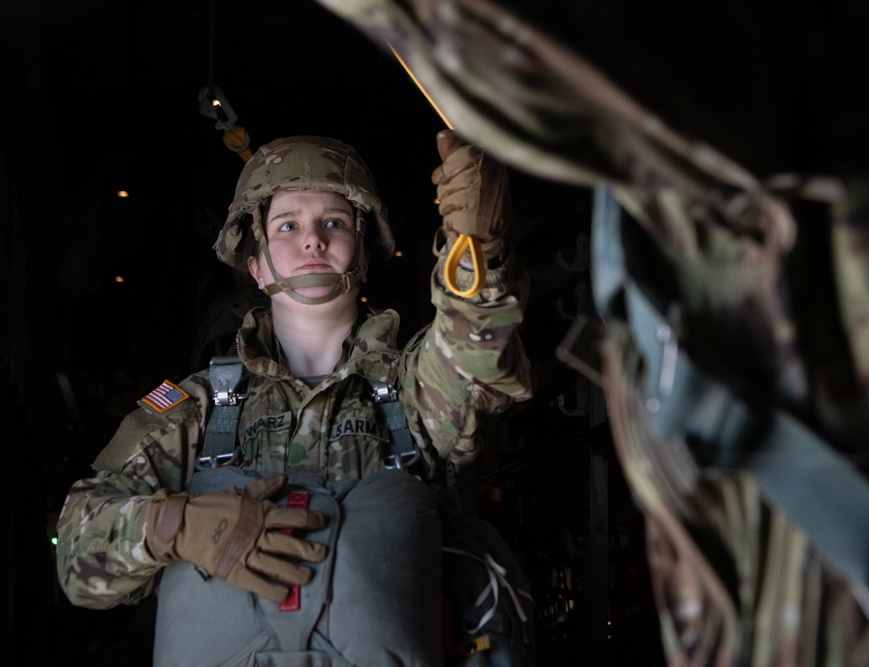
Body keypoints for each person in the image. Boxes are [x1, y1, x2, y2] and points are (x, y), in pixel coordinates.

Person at [55, 131, 534, 665]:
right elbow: (77, 555)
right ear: (255, 264)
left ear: (363, 254)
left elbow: (476, 362)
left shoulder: (410, 388)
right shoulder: (194, 408)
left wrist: (479, 253)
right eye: (288, 225)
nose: (313, 240)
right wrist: (172, 526)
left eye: (334, 222)